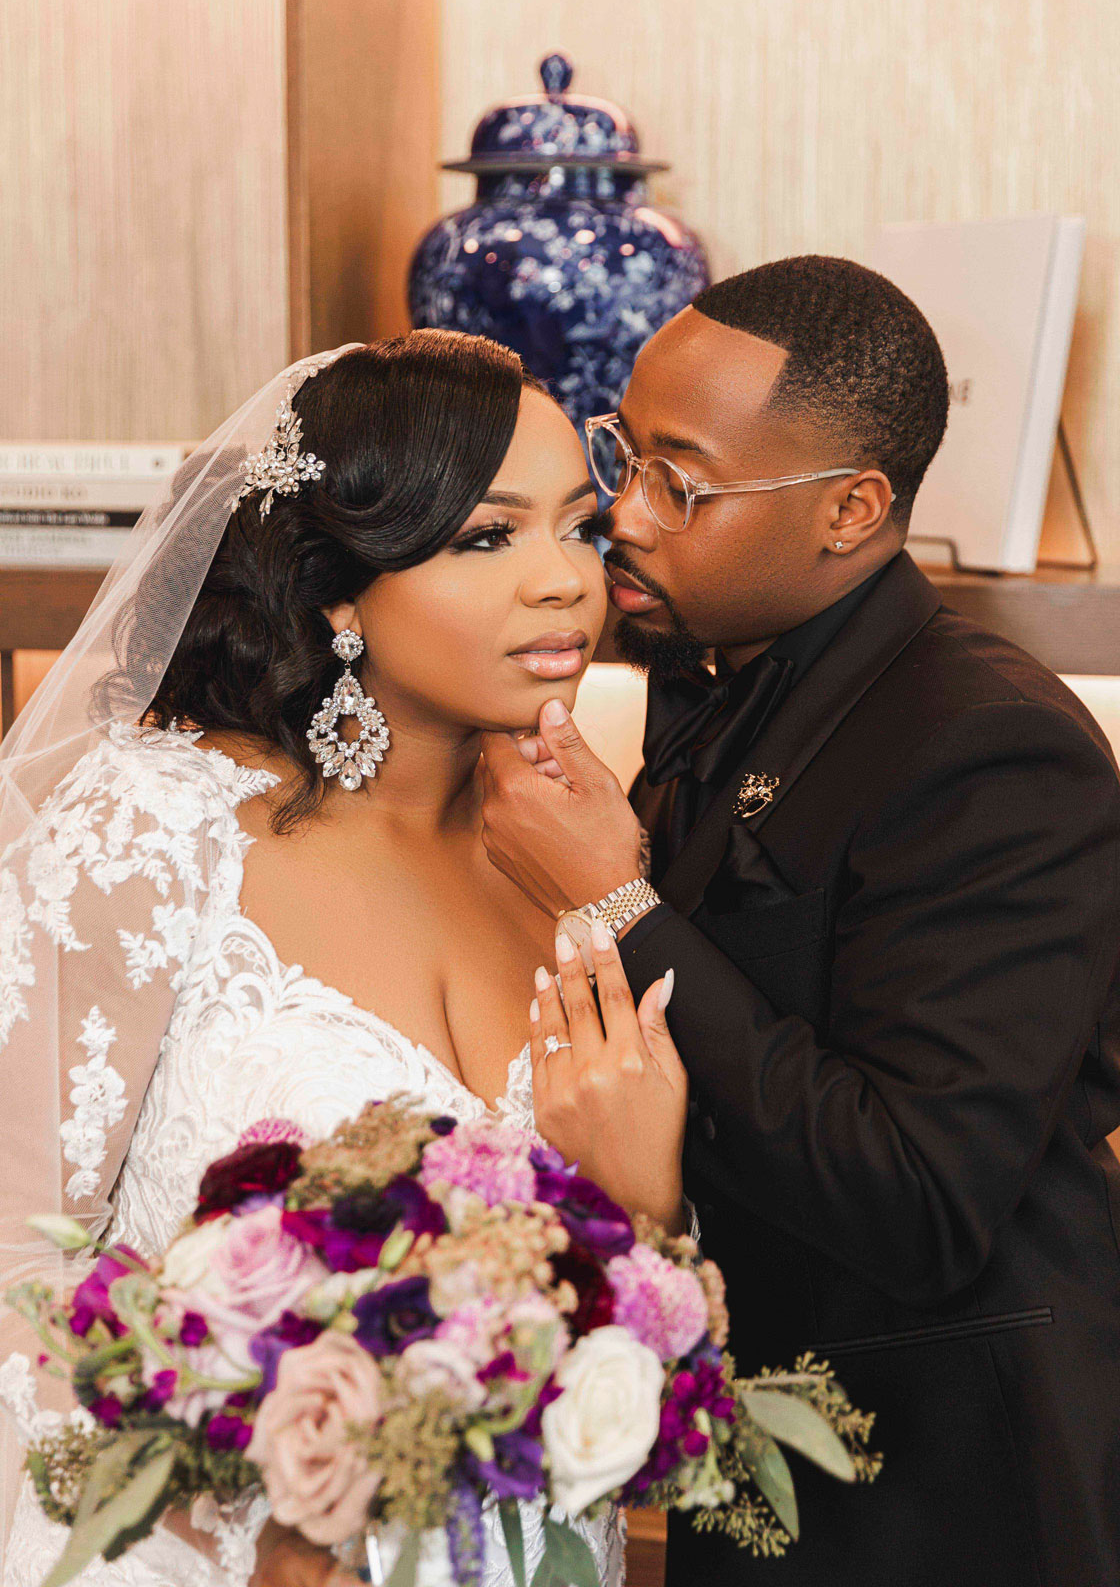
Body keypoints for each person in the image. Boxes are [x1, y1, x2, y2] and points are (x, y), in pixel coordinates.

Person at [0, 331, 688, 1587]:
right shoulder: (160, 831)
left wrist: (645, 1209)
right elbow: (17, 1260)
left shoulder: (583, 865)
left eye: (577, 528)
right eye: (487, 537)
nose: (565, 583)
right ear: (334, 590)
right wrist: (232, 1534)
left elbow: (608, 1297)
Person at [480, 256, 1120, 1586]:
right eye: (625, 455)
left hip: (950, 1495)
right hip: (758, 1465)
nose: (628, 516)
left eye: (683, 482)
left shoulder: (993, 747)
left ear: (851, 510)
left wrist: (617, 897)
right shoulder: (727, 677)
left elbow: (921, 1199)